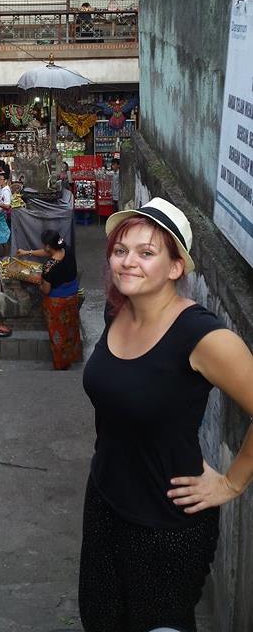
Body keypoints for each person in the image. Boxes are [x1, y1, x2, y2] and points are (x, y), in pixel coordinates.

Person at [79, 197, 253, 632]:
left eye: (146, 252)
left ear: (176, 268)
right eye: (121, 251)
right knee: (101, 619)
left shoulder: (203, 336)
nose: (127, 262)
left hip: (166, 523)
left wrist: (233, 482)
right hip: (105, 499)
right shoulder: (117, 310)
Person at [18, 230, 81, 369]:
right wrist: (27, 253)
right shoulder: (66, 249)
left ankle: (61, 365)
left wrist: (36, 280)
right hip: (73, 297)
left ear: (48, 246)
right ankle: (72, 357)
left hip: (57, 302)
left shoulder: (49, 268)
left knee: (57, 334)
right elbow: (48, 253)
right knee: (71, 328)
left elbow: (46, 290)